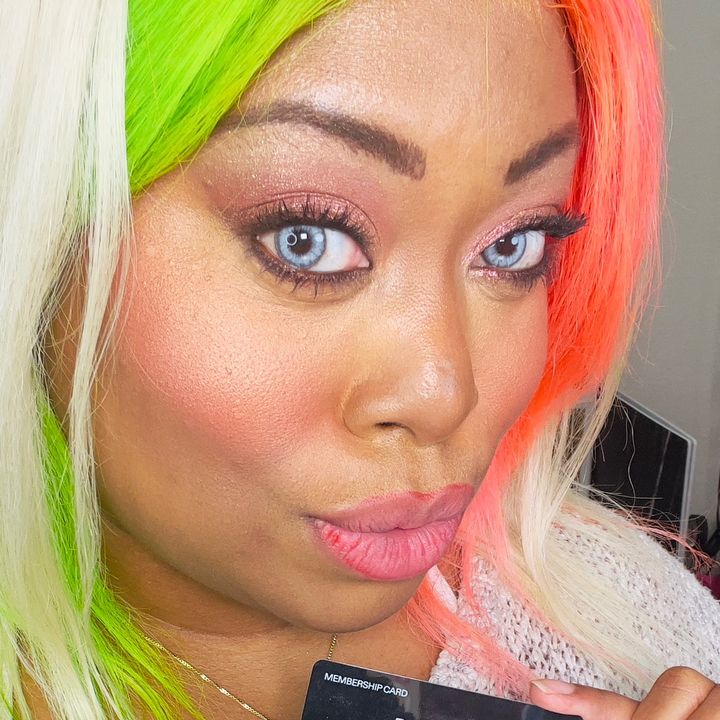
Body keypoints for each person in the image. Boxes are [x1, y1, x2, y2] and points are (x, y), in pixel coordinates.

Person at [1, 0, 718, 718]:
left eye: (514, 244)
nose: (444, 396)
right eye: (306, 238)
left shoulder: (640, 623)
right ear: (39, 230)